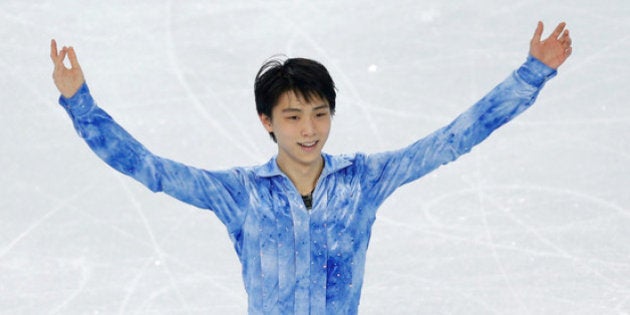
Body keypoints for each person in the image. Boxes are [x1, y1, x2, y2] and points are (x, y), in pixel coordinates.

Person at [50, 21, 572, 314]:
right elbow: (150, 169)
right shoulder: (241, 193)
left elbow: (453, 139)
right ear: (267, 122)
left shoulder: (364, 180)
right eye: (293, 116)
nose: (309, 129)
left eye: (319, 114)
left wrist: (531, 75)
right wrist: (81, 106)